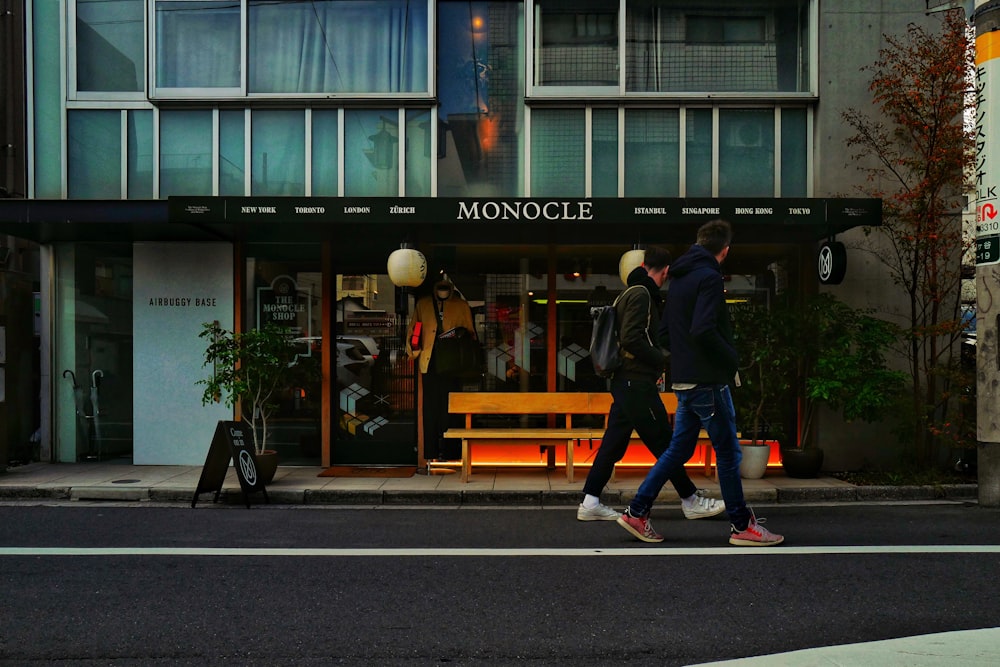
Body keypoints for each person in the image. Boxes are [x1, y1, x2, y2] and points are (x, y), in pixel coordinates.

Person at [616, 220, 784, 546]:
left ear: (699, 242)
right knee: (728, 452)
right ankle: (741, 526)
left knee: (678, 449)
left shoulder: (677, 278)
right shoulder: (708, 277)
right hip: (708, 380)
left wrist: (679, 362)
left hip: (684, 379)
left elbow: (665, 333)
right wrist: (731, 358)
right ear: (725, 250)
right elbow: (704, 329)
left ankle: (637, 512)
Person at [577, 245, 725, 522]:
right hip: (636, 383)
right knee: (665, 443)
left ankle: (590, 500)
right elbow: (633, 338)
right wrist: (661, 360)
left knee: (613, 444)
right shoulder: (642, 294)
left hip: (626, 382)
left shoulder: (627, 293)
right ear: (665, 271)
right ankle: (690, 499)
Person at [406, 278, 475, 462]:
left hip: (453, 364)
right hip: (429, 362)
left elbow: (470, 334)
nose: (443, 291)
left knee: (451, 409)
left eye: (446, 288)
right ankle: (430, 452)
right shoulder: (423, 305)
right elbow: (414, 330)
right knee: (430, 409)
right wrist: (414, 351)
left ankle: (452, 452)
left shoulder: (461, 305)